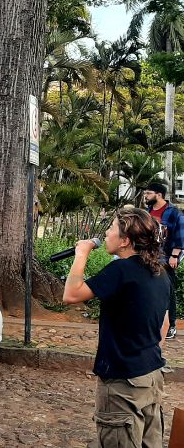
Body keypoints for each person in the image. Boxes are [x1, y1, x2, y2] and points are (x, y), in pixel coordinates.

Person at [63, 208, 170, 447]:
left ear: (125, 241)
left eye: (111, 229)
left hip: (123, 381)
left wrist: (81, 253)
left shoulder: (120, 270)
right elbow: (164, 324)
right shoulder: (160, 272)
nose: (106, 234)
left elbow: (71, 294)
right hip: (152, 375)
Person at [143, 182, 183, 339]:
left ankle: (171, 325)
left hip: (166, 258)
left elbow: (180, 233)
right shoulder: (148, 211)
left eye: (148, 193)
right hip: (149, 256)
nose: (145, 196)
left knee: (168, 290)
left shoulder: (173, 212)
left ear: (158, 195)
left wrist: (175, 255)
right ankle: (154, 323)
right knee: (150, 289)